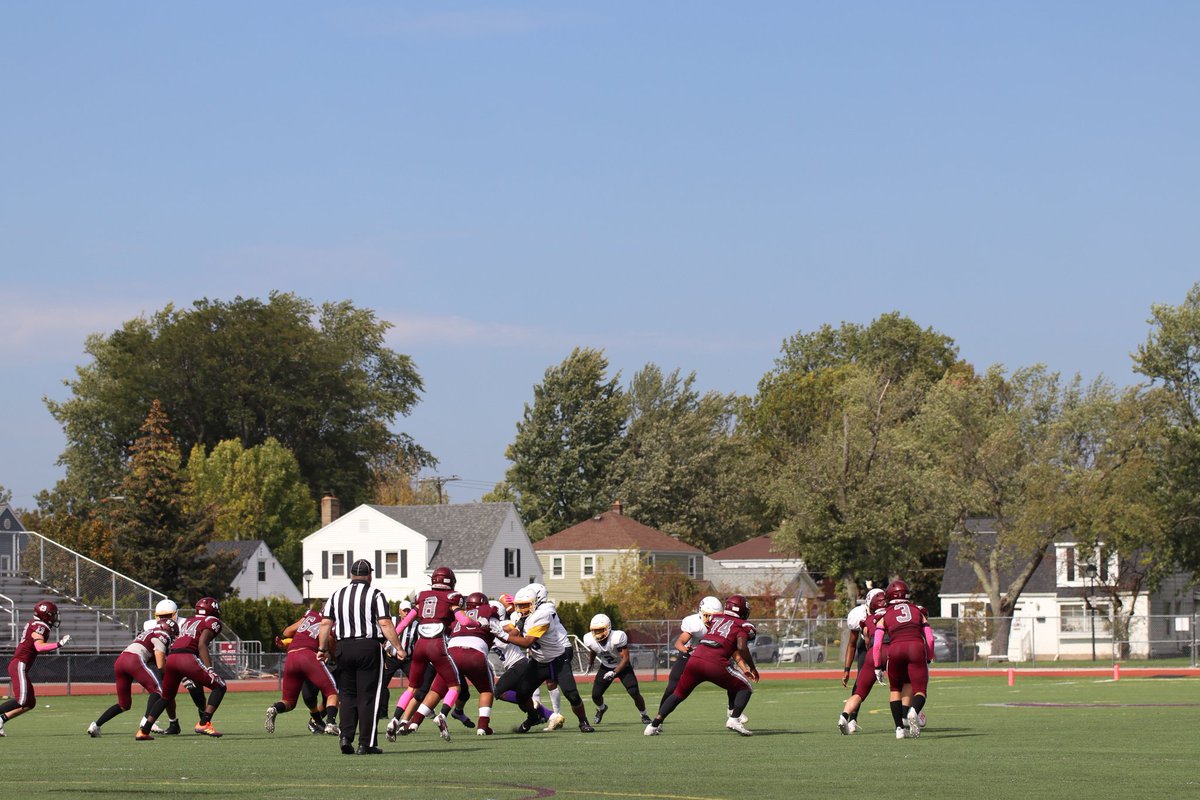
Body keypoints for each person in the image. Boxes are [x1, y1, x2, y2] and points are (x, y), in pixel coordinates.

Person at [318, 558, 406, 755]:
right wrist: (399, 647)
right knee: (369, 696)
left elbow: (325, 624)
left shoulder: (337, 595)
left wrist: (322, 648)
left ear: (351, 575)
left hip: (343, 647)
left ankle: (345, 736)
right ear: (369, 575)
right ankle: (366, 743)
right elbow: (384, 623)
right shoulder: (375, 594)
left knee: (347, 695)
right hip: (368, 647)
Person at [644, 594, 758, 737]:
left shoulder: (716, 619)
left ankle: (653, 725)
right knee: (745, 686)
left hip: (696, 659)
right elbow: (741, 646)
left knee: (679, 693)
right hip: (714, 662)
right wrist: (751, 668)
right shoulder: (742, 625)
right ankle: (734, 719)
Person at [493, 583, 595, 734]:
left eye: (526, 605)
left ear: (535, 603)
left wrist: (502, 634)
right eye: (519, 606)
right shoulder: (520, 616)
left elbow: (527, 642)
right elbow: (512, 633)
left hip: (557, 660)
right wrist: (493, 628)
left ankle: (583, 722)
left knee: (572, 694)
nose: (522, 609)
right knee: (522, 695)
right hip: (538, 662)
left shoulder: (543, 614)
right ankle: (533, 717)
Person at [385, 566, 470, 740]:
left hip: (420, 646)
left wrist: (390, 640)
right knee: (454, 686)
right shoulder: (452, 598)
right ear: (450, 581)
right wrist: (477, 623)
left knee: (411, 687)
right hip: (437, 645)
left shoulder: (422, 597)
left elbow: (404, 623)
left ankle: (394, 719)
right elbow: (465, 620)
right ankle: (442, 715)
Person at [139, 597, 227, 738]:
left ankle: (144, 731)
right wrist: (209, 668)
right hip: (187, 657)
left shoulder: (187, 621)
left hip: (172, 658)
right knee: (220, 686)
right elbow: (202, 644)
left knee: (166, 697)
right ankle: (204, 723)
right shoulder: (212, 621)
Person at [88, 618, 178, 739]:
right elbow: (161, 664)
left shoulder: (148, 632)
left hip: (121, 661)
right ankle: (146, 723)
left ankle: (95, 725)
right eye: (173, 633)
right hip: (133, 660)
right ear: (168, 630)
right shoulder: (162, 635)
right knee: (159, 691)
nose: (173, 637)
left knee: (124, 704)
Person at [426, 591, 501, 736]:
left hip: (448, 652)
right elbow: (499, 630)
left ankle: (412, 722)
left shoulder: (458, 617)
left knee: (438, 690)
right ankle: (482, 726)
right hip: (474, 654)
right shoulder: (488, 612)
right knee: (485, 689)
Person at [872, 579, 934, 739]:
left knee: (895, 690)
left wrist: (877, 666)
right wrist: (929, 656)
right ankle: (913, 711)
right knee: (920, 690)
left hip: (896, 649)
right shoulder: (917, 610)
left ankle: (899, 729)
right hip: (916, 647)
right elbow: (930, 638)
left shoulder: (884, 614)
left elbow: (877, 643)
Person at [0, 601, 70, 736]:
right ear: (45, 615)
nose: (55, 618)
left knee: (29, 703)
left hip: (20, 665)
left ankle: (1, 720)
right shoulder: (40, 626)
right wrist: (59, 644)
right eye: (53, 615)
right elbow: (40, 647)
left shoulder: (35, 623)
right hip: (20, 664)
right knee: (22, 700)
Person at [265, 607, 338, 735]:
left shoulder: (310, 616)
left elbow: (287, 632)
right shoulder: (330, 622)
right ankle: (331, 723)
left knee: (289, 702)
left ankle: (275, 708)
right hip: (309, 656)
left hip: (291, 656)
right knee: (332, 692)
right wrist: (334, 654)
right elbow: (330, 640)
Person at [659, 596, 722, 724]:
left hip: (712, 657)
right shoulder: (695, 624)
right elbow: (679, 643)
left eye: (716, 616)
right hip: (691, 656)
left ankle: (733, 712)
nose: (712, 619)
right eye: (708, 615)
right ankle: (658, 718)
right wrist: (688, 650)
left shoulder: (723, 625)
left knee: (733, 681)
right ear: (701, 613)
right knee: (672, 687)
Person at [582, 614, 651, 725]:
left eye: (601, 630)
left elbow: (626, 659)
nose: (598, 633)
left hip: (623, 667)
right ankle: (602, 708)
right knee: (595, 695)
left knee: (634, 692)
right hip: (606, 667)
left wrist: (614, 672)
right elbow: (594, 649)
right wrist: (590, 662)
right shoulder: (589, 639)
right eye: (596, 630)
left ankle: (644, 714)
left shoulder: (617, 637)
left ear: (608, 627)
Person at [837, 588, 886, 734]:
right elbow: (852, 645)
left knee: (902, 679)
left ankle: (909, 712)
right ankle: (852, 719)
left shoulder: (888, 610)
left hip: (888, 645)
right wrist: (846, 670)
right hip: (869, 649)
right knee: (860, 684)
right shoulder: (859, 615)